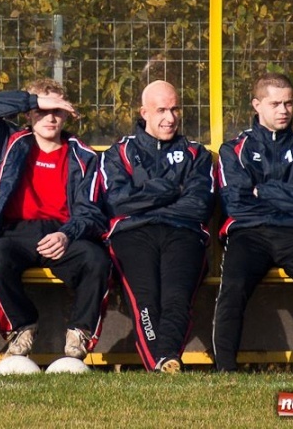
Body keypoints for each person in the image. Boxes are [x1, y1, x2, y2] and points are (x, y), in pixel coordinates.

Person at [213, 72, 293, 373]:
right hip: (249, 234)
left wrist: (262, 190)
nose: (283, 110)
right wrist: (288, 197)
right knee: (232, 288)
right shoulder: (233, 150)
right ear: (256, 105)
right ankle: (225, 370)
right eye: (275, 103)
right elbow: (236, 203)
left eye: (288, 103)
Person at [0, 78, 109, 360]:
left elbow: (91, 212)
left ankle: (79, 334)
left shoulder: (84, 156)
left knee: (97, 260)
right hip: (17, 234)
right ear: (29, 113)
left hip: (61, 234)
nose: (50, 117)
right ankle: (21, 326)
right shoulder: (8, 143)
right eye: (43, 110)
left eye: (57, 110)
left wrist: (67, 235)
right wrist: (34, 100)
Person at [100, 80, 215, 373]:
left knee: (177, 296)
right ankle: (161, 361)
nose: (170, 118)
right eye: (162, 110)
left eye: (175, 109)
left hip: (184, 232)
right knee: (146, 298)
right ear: (145, 113)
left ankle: (165, 358)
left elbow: (199, 205)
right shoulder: (118, 154)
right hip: (133, 233)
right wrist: (171, 190)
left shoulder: (196, 154)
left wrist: (145, 195)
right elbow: (117, 203)